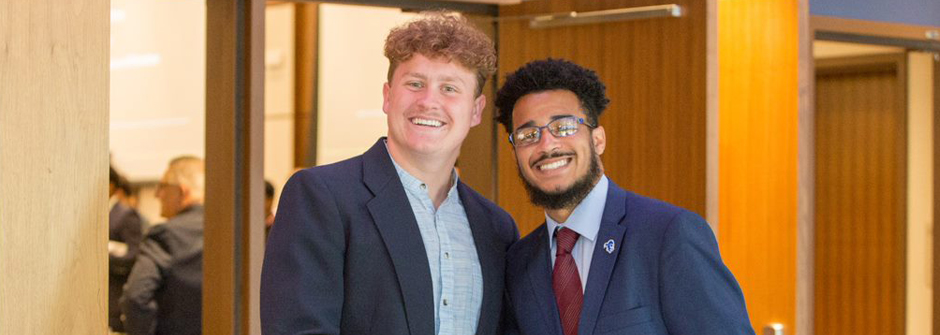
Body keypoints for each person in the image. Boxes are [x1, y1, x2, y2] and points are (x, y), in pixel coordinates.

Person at [260, 12, 518, 335]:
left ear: (476, 110)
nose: (428, 101)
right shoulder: (321, 197)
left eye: (449, 88)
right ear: (387, 96)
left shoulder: (496, 228)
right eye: (415, 84)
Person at [495, 59, 754, 335]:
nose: (547, 145)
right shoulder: (518, 265)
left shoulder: (669, 235)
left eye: (564, 127)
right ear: (515, 154)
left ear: (597, 140)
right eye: (528, 134)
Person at [121, 156, 205, 335]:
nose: (157, 194)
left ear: (182, 191)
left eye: (163, 186)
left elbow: (136, 297)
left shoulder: (165, 235)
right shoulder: (228, 234)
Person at [108, 166, 143, 333]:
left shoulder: (126, 214)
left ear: (110, 185)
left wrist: (103, 257)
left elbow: (134, 255)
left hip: (114, 295)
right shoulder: (100, 213)